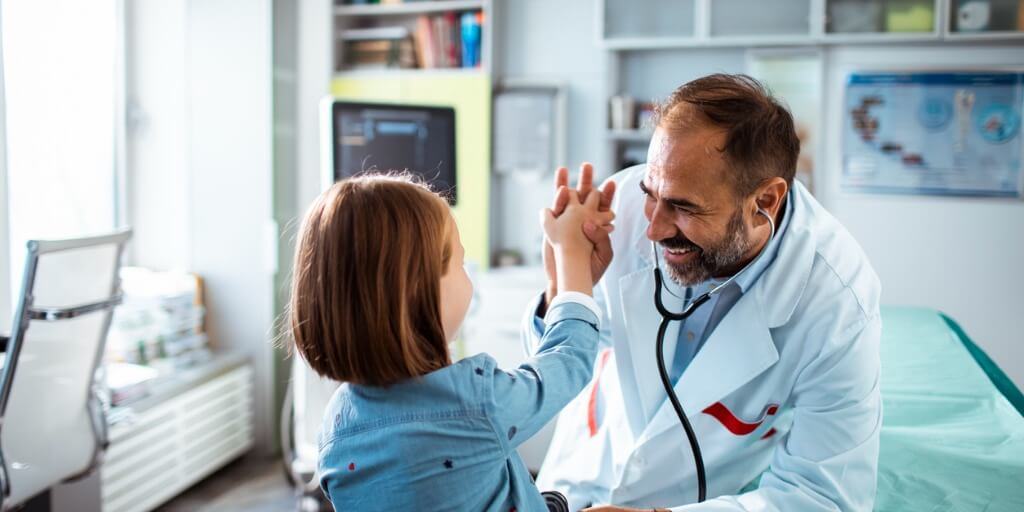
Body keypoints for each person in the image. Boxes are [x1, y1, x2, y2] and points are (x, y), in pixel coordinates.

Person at [525, 74, 883, 511]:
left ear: (765, 202)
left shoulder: (837, 302)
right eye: (651, 195)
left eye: (683, 207)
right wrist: (565, 286)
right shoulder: (619, 213)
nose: (653, 227)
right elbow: (559, 366)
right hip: (577, 480)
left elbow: (824, 497)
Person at [288, 174, 614, 511]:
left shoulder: (335, 426)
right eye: (459, 262)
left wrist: (557, 284)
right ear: (421, 291)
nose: (467, 274)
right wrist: (572, 256)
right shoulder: (475, 402)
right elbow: (569, 360)